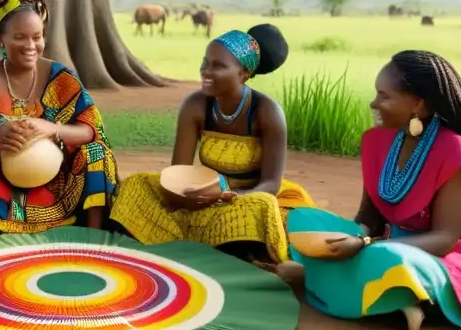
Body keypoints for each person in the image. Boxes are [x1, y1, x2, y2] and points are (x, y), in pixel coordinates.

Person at [285, 50, 461, 330]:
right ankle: (386, 298)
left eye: (384, 96)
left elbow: (445, 238)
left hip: (438, 254)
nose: (374, 103)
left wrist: (366, 244)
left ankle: (396, 298)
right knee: (302, 219)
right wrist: (355, 236)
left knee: (389, 259)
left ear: (417, 103)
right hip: (380, 241)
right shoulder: (377, 140)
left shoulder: (457, 152)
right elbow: (368, 216)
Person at [109, 25, 315, 264]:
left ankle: (214, 245)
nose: (206, 71)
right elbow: (178, 172)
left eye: (218, 66)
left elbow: (270, 184)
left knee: (263, 206)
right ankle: (198, 241)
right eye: (205, 62)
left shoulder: (267, 112)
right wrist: (182, 194)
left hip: (245, 197)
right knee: (137, 184)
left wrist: (228, 195)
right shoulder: (195, 106)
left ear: (244, 73)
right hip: (202, 191)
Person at [0, 0, 119, 238]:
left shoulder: (62, 78)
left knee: (97, 155)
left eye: (37, 37)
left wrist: (52, 129)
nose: (30, 46)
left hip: (59, 179)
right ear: (1, 39)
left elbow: (91, 131)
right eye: (20, 37)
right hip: (1, 176)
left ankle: (93, 238)